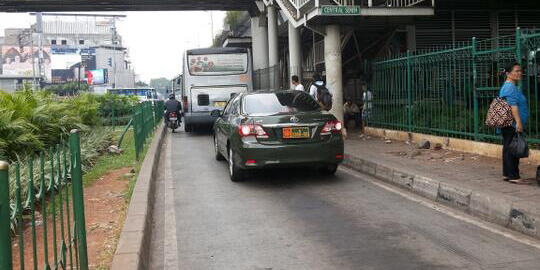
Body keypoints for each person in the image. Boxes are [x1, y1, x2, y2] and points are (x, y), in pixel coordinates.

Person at [499, 63, 529, 184]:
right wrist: (518, 122)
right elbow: (513, 106)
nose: (519, 73)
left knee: (508, 148)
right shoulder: (510, 87)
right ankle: (513, 176)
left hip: (508, 123)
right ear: (508, 73)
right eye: (516, 71)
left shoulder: (509, 86)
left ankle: (507, 174)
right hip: (511, 123)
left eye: (520, 71)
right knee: (514, 148)